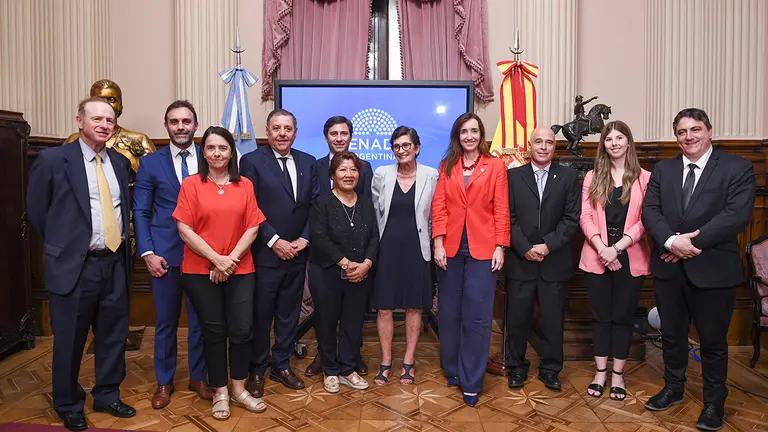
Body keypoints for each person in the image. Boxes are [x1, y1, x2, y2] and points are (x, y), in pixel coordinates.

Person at [642, 108, 755, 430]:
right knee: (672, 335)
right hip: (669, 270)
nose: (688, 137)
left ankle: (714, 403)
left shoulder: (737, 167)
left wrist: (688, 244)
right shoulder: (663, 170)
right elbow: (650, 212)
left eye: (695, 130)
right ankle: (673, 388)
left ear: (709, 131)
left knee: (713, 342)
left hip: (713, 270)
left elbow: (736, 215)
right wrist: (670, 242)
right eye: (682, 132)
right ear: (676, 136)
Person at [26, 97, 135, 431]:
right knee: (70, 340)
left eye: (109, 120)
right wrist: (65, 245)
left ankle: (107, 394)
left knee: (113, 336)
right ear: (80, 121)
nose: (104, 125)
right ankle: (68, 402)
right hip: (75, 266)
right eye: (97, 119)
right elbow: (37, 210)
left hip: (114, 263)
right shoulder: (52, 160)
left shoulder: (119, 162)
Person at [173, 126, 267, 420]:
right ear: (203, 152)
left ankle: (239, 389)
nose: (217, 153)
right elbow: (184, 228)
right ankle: (220, 392)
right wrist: (216, 259)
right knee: (213, 333)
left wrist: (230, 261)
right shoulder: (191, 184)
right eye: (211, 148)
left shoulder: (245, 185)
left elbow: (253, 227)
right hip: (199, 270)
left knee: (242, 331)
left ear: (231, 152)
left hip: (241, 268)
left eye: (222, 148)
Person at [132, 100, 214, 409]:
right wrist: (148, 252)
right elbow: (141, 211)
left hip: (203, 255)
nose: (181, 127)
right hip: (164, 257)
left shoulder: (211, 158)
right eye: (174, 121)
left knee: (201, 321)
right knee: (165, 322)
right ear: (166, 125)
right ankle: (164, 381)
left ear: (196, 125)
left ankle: (198, 377)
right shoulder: (151, 163)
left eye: (186, 121)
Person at [432, 113, 510, 406]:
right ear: (457, 135)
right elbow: (439, 206)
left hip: (484, 248)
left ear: (481, 135)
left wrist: (500, 246)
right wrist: (438, 242)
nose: (469, 136)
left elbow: (501, 208)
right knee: (449, 312)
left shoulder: (495, 166)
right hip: (450, 249)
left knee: (477, 316)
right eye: (464, 131)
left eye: (474, 131)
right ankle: (453, 369)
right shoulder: (447, 165)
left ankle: (472, 380)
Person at [240, 109, 317, 397]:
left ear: (295, 132)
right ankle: (257, 368)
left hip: (297, 254)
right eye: (276, 128)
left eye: (287, 128)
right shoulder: (251, 161)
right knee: (261, 316)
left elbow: (315, 206)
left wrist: (304, 239)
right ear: (267, 131)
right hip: (265, 254)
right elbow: (249, 206)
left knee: (289, 314)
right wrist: (274, 240)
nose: (282, 133)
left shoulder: (308, 162)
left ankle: (281, 365)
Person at [578, 121, 651, 401]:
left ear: (628, 141)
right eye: (609, 139)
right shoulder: (593, 176)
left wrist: (617, 248)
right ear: (603, 144)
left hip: (630, 255)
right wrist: (603, 249)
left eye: (620, 138)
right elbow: (585, 217)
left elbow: (646, 220)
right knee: (601, 317)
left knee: (622, 317)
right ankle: (600, 372)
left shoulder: (645, 178)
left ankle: (618, 375)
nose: (614, 143)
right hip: (597, 255)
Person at [505, 127, 581, 392]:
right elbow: (507, 217)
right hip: (520, 260)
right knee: (517, 320)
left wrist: (548, 245)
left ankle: (550, 370)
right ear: (530, 146)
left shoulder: (568, 176)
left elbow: (571, 218)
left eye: (549, 142)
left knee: (552, 321)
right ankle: (516, 367)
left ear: (554, 147)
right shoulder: (513, 176)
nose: (543, 147)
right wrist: (525, 247)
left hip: (554, 261)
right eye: (538, 142)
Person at [370, 126, 438, 385]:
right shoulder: (382, 174)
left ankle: (408, 361)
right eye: (396, 146)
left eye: (406, 145)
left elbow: (435, 215)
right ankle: (386, 361)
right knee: (384, 307)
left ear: (417, 148)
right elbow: (375, 212)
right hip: (387, 249)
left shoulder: (431, 175)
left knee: (414, 306)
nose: (401, 150)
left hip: (417, 249)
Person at [305, 115, 372, 378]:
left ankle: (353, 356)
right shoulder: (315, 167)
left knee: (353, 314)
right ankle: (324, 357)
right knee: (326, 313)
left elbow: (366, 211)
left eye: (344, 133)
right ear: (326, 137)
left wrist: (362, 261)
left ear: (350, 136)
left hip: (357, 255)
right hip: (326, 257)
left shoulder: (364, 167)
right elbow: (312, 207)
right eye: (334, 133)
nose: (339, 138)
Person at [65, 79, 156, 173]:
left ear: (120, 105)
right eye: (99, 100)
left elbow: (155, 174)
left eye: (112, 100)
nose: (106, 104)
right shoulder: (74, 140)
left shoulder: (140, 140)